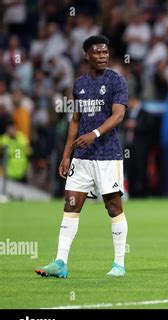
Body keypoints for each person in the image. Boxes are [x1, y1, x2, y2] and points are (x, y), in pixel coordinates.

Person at [35, 35, 129, 278]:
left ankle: (118, 264)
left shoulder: (117, 81)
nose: (103, 56)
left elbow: (118, 115)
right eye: (97, 52)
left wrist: (95, 134)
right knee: (71, 204)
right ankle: (60, 262)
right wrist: (67, 155)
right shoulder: (79, 84)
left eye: (105, 52)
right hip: (82, 158)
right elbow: (75, 121)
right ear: (86, 55)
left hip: (108, 155)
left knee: (112, 206)